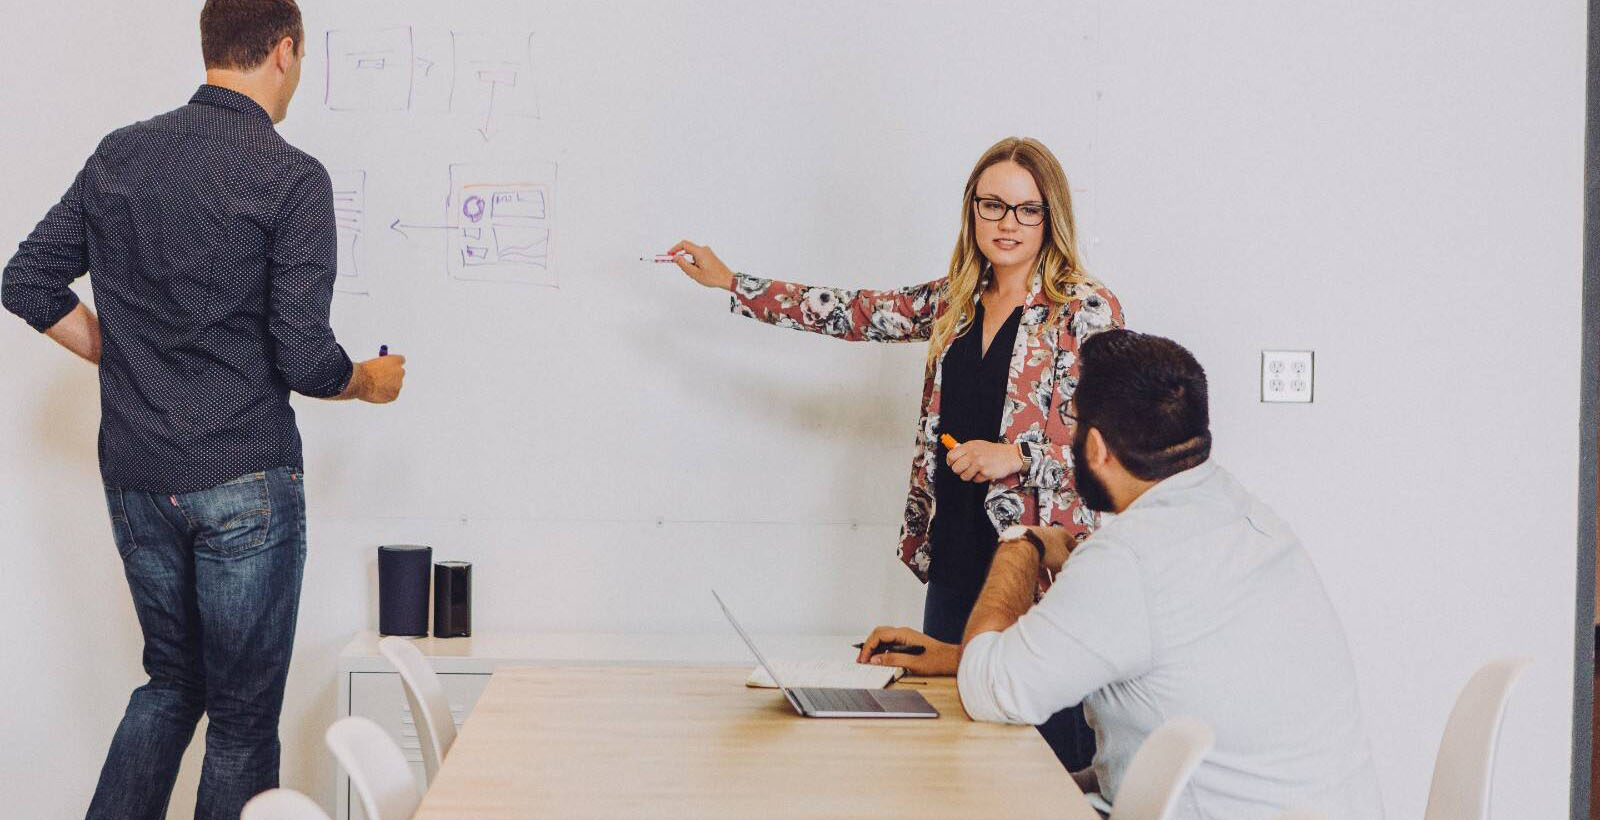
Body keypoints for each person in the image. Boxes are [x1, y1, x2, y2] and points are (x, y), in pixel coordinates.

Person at [0, 1, 406, 816]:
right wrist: (367, 378)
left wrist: (125, 353)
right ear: (284, 51)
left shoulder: (122, 154)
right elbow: (303, 356)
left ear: (213, 46)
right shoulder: (289, 176)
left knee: (170, 684)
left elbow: (26, 281)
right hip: (243, 477)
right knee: (243, 720)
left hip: (139, 477)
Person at [668, 136, 1122, 767]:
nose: (1008, 223)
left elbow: (1112, 448)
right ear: (972, 211)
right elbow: (853, 312)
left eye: (1027, 209)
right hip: (955, 541)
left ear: (1051, 218)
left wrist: (1017, 456)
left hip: (1032, 557)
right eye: (993, 205)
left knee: (1034, 742)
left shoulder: (1083, 310)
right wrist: (731, 282)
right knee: (952, 740)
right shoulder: (954, 300)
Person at [863, 329, 1384, 819]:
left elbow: (989, 692)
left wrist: (1020, 542)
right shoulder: (1245, 517)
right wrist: (958, 658)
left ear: (1095, 448)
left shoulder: (1128, 559)